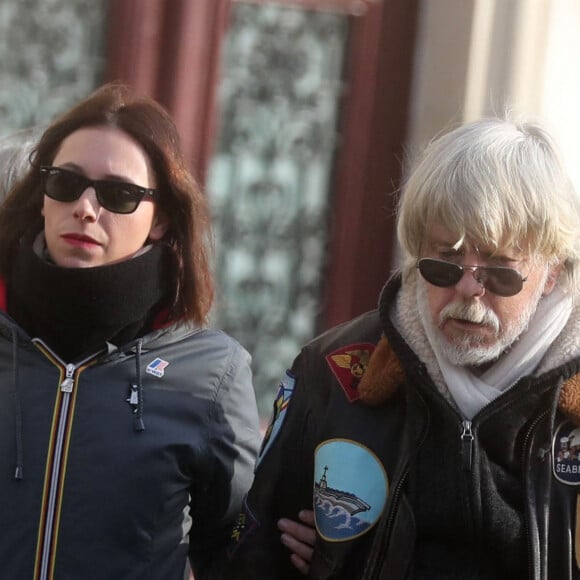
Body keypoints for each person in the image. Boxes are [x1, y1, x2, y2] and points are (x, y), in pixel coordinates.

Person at [223, 115, 580, 579]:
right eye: (445, 262)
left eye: (499, 268)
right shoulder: (329, 370)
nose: (469, 288)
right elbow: (253, 551)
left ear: (551, 271)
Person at [0, 82, 262, 580]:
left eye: (119, 194)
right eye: (65, 183)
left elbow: (239, 554)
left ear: (162, 218)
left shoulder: (211, 375)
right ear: (41, 197)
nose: (85, 207)